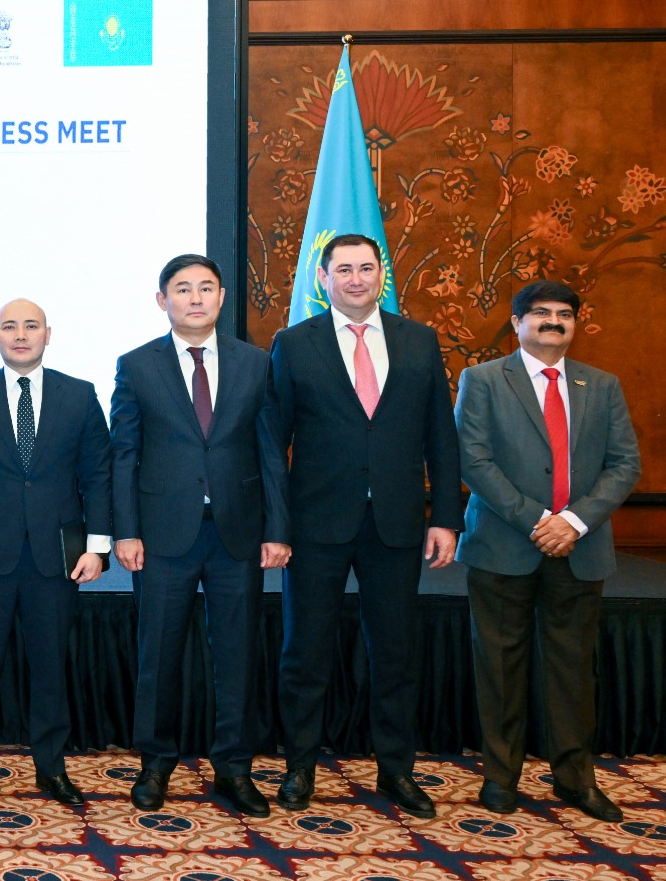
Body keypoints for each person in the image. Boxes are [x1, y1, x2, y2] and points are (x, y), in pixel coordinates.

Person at [267, 233, 461, 818]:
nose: (356, 279)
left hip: (397, 523)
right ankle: (300, 766)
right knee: (305, 652)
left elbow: (440, 436)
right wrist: (276, 525)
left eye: (366, 268)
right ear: (323, 279)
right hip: (315, 523)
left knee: (396, 653)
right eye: (344, 269)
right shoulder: (292, 343)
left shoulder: (419, 340)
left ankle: (396, 771)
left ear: (382, 274)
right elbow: (274, 442)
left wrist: (445, 518)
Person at [110, 255, 290, 817]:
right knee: (158, 654)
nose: (195, 298)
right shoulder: (136, 365)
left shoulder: (255, 363)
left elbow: (270, 451)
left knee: (237, 656)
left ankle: (234, 768)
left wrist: (277, 528)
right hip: (162, 536)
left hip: (238, 534)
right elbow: (124, 455)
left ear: (222, 296)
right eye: (182, 289)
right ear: (161, 300)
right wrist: (125, 532)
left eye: (205, 288)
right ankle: (155, 763)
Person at [455, 280, 640, 822]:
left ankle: (574, 779)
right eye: (540, 313)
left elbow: (625, 464)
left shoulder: (602, 385)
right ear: (517, 323)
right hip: (502, 544)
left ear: (576, 324)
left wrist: (574, 522)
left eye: (564, 314)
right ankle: (500, 778)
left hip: (580, 546)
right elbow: (473, 460)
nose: (553, 321)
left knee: (573, 669)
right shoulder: (482, 380)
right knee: (499, 667)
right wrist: (539, 521)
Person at [0, 298, 110, 807]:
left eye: (30, 326)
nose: (20, 335)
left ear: (47, 334)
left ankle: (51, 769)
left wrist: (98, 546)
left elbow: (98, 475)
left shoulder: (80, 395)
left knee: (51, 668)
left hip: (57, 558)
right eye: (9, 326)